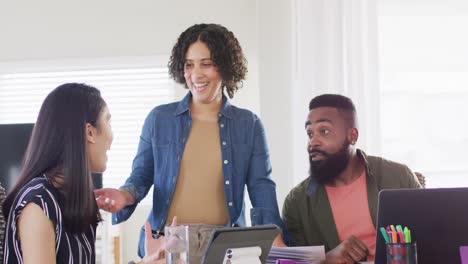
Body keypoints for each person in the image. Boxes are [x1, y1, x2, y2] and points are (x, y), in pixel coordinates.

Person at [95, 23, 286, 263]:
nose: (196, 74)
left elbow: (261, 188)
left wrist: (275, 240)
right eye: (189, 64)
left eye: (206, 64)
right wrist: (124, 196)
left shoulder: (249, 124)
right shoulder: (159, 119)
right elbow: (141, 177)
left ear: (226, 67)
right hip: (169, 243)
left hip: (226, 247)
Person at [2, 83, 164, 264]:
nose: (111, 137)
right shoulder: (38, 203)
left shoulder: (74, 201)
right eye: (108, 122)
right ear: (89, 132)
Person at [282, 94, 421, 264]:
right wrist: (327, 260)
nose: (313, 143)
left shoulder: (399, 177)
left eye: (324, 131)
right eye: (310, 134)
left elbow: (432, 240)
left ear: (352, 136)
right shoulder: (297, 204)